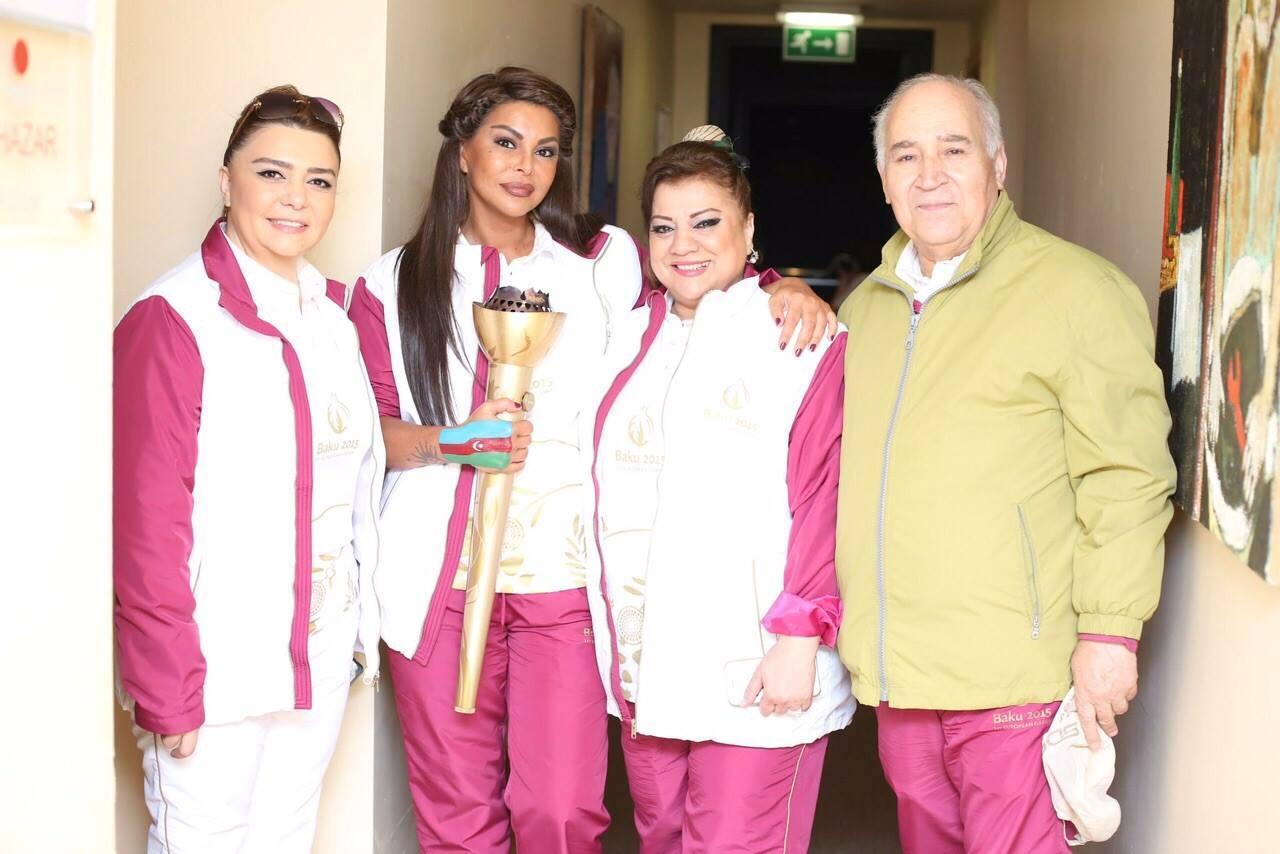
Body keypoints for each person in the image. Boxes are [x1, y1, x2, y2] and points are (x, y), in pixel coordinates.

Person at [348, 68, 834, 852]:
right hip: (436, 584)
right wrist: (452, 442)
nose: (524, 166)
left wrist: (782, 287)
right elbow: (369, 436)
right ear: (463, 150)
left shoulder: (601, 268)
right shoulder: (391, 284)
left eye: (545, 151)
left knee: (561, 812)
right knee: (456, 817)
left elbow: (696, 302)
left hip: (564, 584)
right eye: (505, 142)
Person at [835, 73, 1177, 853]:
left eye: (954, 150)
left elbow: (1127, 476)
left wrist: (1111, 634)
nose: (930, 174)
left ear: (998, 163)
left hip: (1017, 677)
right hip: (901, 676)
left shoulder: (1076, 291)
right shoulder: (864, 311)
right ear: (884, 179)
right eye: (906, 155)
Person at [114, 85, 383, 853]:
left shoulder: (331, 318)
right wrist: (167, 684)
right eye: (271, 173)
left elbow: (347, 487)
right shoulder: (173, 318)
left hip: (315, 663)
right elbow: (144, 523)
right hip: (215, 673)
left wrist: (353, 635)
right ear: (226, 181)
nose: (296, 197)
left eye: (319, 179)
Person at [583, 129, 855, 853]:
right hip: (647, 669)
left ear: (750, 229)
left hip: (758, 662)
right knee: (664, 840)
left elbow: (825, 497)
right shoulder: (622, 338)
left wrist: (800, 636)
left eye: (706, 222)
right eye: (664, 227)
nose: (683, 245)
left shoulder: (799, 338)